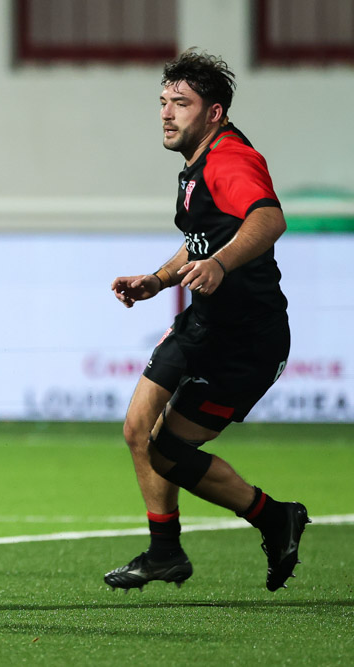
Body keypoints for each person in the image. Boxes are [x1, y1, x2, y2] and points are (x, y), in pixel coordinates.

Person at [107, 51, 309, 593]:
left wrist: (219, 264)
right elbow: (203, 240)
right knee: (136, 429)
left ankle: (273, 516)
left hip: (246, 340)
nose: (167, 114)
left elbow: (269, 218)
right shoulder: (200, 162)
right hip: (205, 323)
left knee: (166, 451)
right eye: (164, 102)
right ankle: (165, 551)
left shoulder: (230, 160)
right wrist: (158, 279)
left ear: (215, 113)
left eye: (182, 104)